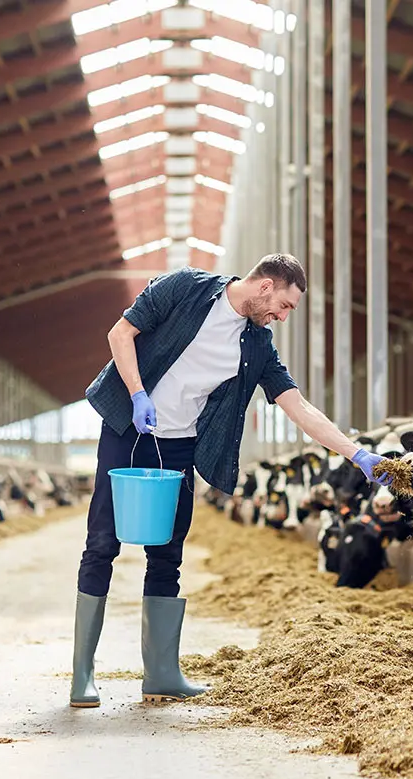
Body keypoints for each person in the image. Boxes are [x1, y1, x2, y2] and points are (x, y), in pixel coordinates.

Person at [71, 254, 391, 709]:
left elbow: (299, 408)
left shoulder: (257, 346)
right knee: (102, 542)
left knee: (166, 553)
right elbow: (120, 334)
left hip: (180, 446)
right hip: (129, 429)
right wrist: (139, 393)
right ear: (265, 287)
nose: (282, 316)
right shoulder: (184, 287)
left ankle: (160, 673)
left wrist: (356, 453)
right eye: (284, 306)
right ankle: (82, 674)